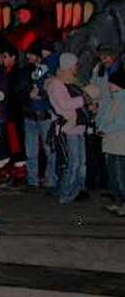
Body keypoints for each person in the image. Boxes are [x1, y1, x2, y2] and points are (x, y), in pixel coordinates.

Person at [47, 52, 90, 205]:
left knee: (81, 162)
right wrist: (82, 100)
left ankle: (75, 191)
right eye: (74, 65)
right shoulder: (56, 84)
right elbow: (63, 105)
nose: (76, 68)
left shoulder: (71, 82)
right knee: (73, 162)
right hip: (68, 127)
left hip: (78, 126)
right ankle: (66, 194)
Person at [17, 45, 56, 190]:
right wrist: (29, 93)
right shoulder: (25, 71)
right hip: (30, 114)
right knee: (31, 150)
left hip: (44, 114)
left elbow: (53, 90)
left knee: (49, 149)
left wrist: (42, 95)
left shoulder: (50, 70)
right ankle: (32, 180)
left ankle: (50, 180)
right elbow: (19, 90)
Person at [96, 69, 125, 216]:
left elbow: (121, 122)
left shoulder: (122, 99)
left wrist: (104, 129)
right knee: (113, 175)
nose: (108, 85)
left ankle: (123, 202)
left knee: (121, 175)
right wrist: (100, 127)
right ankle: (118, 201)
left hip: (120, 144)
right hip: (112, 143)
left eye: (111, 83)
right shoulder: (114, 98)